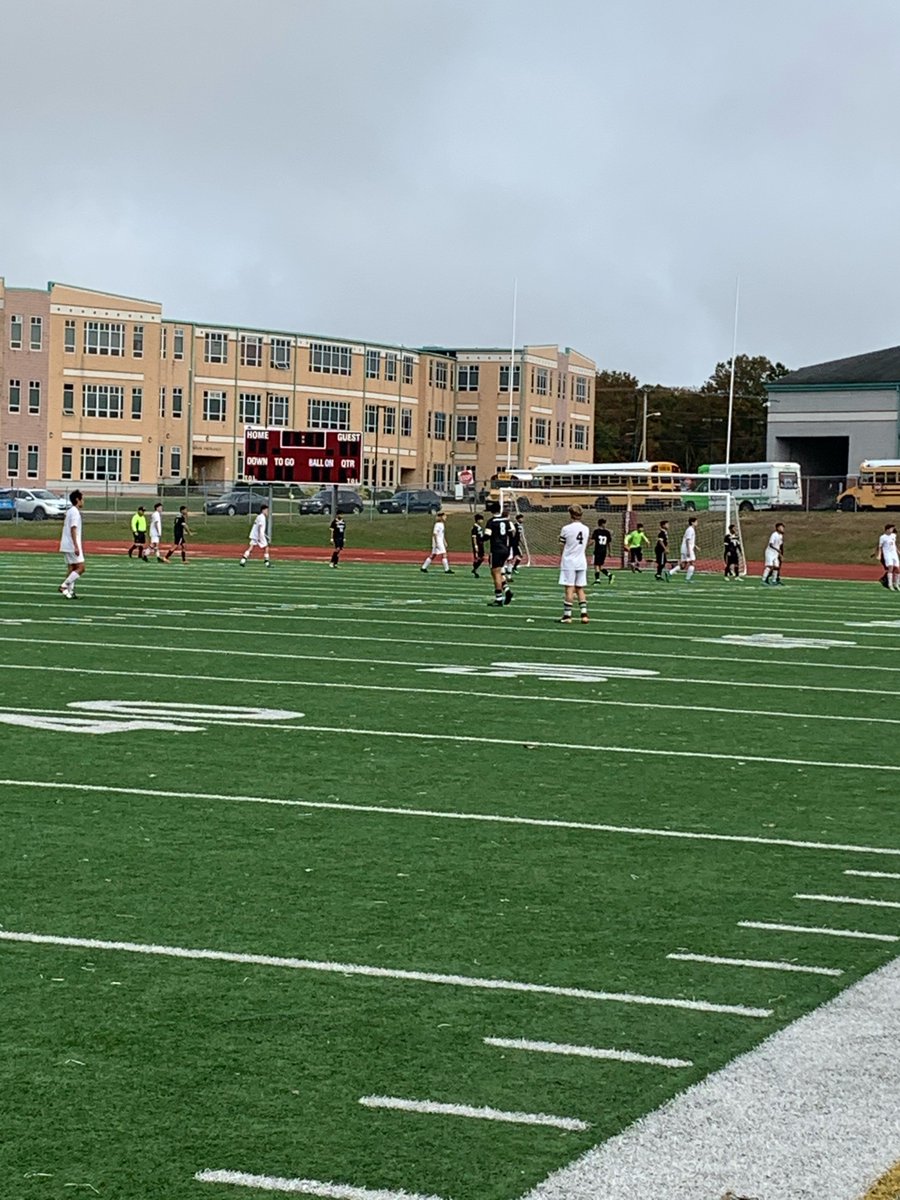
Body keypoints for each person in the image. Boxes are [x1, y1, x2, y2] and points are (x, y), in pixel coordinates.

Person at [558, 504, 590, 624]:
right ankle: (584, 614)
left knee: (569, 589)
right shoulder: (586, 529)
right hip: (581, 560)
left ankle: (567, 616)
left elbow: (561, 545)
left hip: (569, 562)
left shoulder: (566, 529)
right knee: (580, 588)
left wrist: (562, 557)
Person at [58, 489, 85, 600]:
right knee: (81, 568)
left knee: (72, 568)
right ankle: (64, 586)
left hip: (66, 543)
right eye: (82, 499)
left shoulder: (69, 511)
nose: (83, 501)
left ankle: (70, 592)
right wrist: (76, 545)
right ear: (77, 500)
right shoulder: (74, 512)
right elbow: (73, 528)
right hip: (72, 544)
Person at [485, 506, 514, 605]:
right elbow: (511, 534)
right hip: (505, 549)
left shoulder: (491, 521)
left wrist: (480, 539)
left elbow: (487, 535)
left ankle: (498, 599)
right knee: (499, 571)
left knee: (495, 573)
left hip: (496, 549)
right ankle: (507, 590)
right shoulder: (507, 521)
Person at [669, 516, 698, 582]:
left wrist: (695, 546)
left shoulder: (690, 529)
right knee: (692, 563)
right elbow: (687, 540)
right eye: (696, 522)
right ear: (692, 522)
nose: (697, 523)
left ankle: (670, 572)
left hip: (686, 548)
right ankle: (688, 579)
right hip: (687, 549)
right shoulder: (690, 529)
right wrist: (688, 551)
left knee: (683, 565)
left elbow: (689, 540)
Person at [873, 522, 899, 590]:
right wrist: (879, 554)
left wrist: (898, 551)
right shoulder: (882, 537)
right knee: (890, 567)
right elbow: (879, 546)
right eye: (891, 528)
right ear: (887, 529)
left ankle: (897, 584)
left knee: (897, 569)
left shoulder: (893, 535)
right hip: (888, 554)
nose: (892, 530)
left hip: (894, 554)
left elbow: (894, 544)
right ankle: (890, 585)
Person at [761, 521, 785, 585]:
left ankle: (774, 580)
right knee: (769, 566)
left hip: (775, 554)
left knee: (776, 566)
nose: (783, 529)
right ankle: (763, 580)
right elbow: (771, 544)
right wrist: (777, 550)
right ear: (777, 528)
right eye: (781, 527)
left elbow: (780, 546)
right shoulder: (774, 534)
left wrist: (780, 555)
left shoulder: (781, 536)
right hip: (770, 553)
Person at [470, 513, 486, 577]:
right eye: (481, 520)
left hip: (481, 544)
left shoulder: (479, 527)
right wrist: (475, 545)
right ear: (478, 520)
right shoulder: (475, 527)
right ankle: (475, 570)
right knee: (477, 558)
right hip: (477, 544)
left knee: (482, 558)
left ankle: (475, 568)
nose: (482, 521)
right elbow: (474, 537)